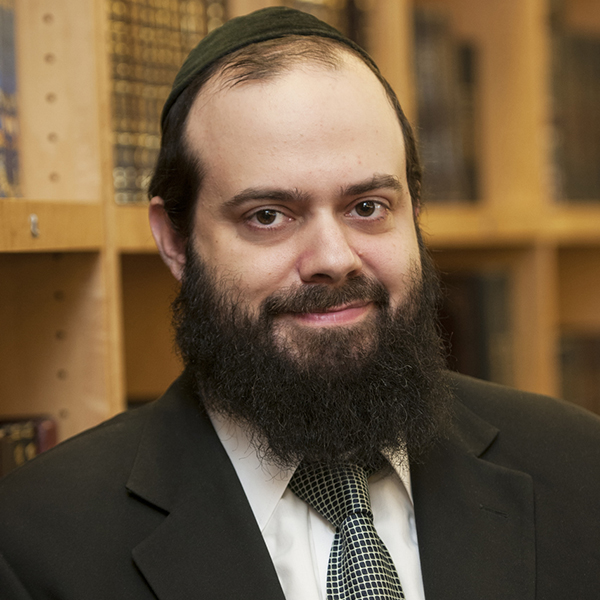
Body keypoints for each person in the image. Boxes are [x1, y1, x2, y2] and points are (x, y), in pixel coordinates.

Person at [1, 7, 599, 600]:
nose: (333, 258)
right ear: (175, 240)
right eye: (268, 217)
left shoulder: (578, 469)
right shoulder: (37, 542)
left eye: (367, 206)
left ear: (414, 212)